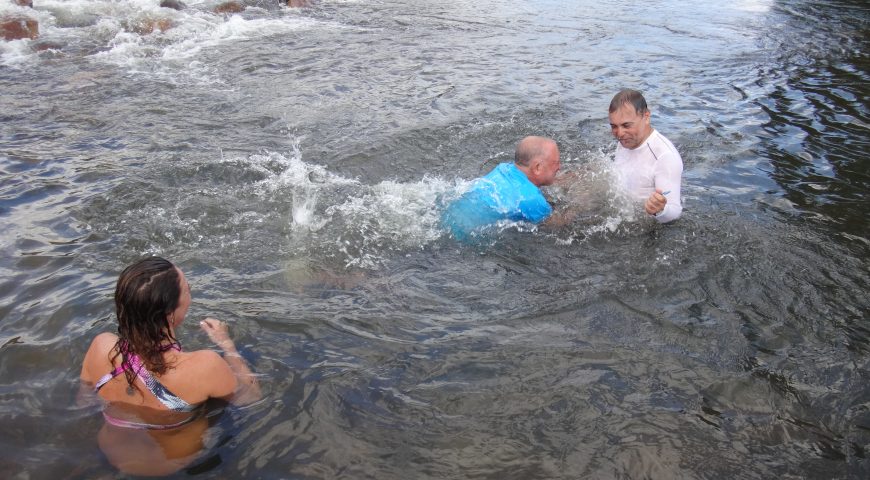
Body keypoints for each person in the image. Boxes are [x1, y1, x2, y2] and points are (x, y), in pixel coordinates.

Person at [80, 256, 261, 475]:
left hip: (110, 456)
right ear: (170, 313)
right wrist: (226, 343)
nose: (190, 294)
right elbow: (251, 398)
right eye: (188, 289)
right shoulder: (205, 365)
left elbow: (84, 403)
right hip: (175, 469)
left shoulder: (101, 346)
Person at [441, 136, 563, 240]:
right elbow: (555, 224)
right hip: (461, 238)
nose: (559, 167)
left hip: (447, 215)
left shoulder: (504, 168)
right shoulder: (532, 200)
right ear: (537, 168)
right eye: (556, 163)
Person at [608, 89, 683, 223]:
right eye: (614, 126)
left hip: (647, 227)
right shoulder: (627, 140)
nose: (619, 133)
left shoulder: (665, 157)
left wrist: (659, 209)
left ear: (646, 117)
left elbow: (675, 212)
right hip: (621, 214)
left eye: (626, 125)